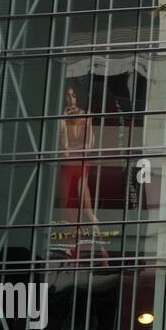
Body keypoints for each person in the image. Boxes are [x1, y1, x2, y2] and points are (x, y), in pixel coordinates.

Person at [56, 84, 100, 231]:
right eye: (68, 96)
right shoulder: (62, 118)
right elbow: (63, 146)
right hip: (68, 166)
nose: (71, 99)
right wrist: (62, 118)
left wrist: (70, 150)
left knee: (87, 210)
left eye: (73, 95)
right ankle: (71, 243)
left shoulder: (86, 116)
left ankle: (101, 247)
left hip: (80, 165)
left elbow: (88, 146)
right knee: (65, 205)